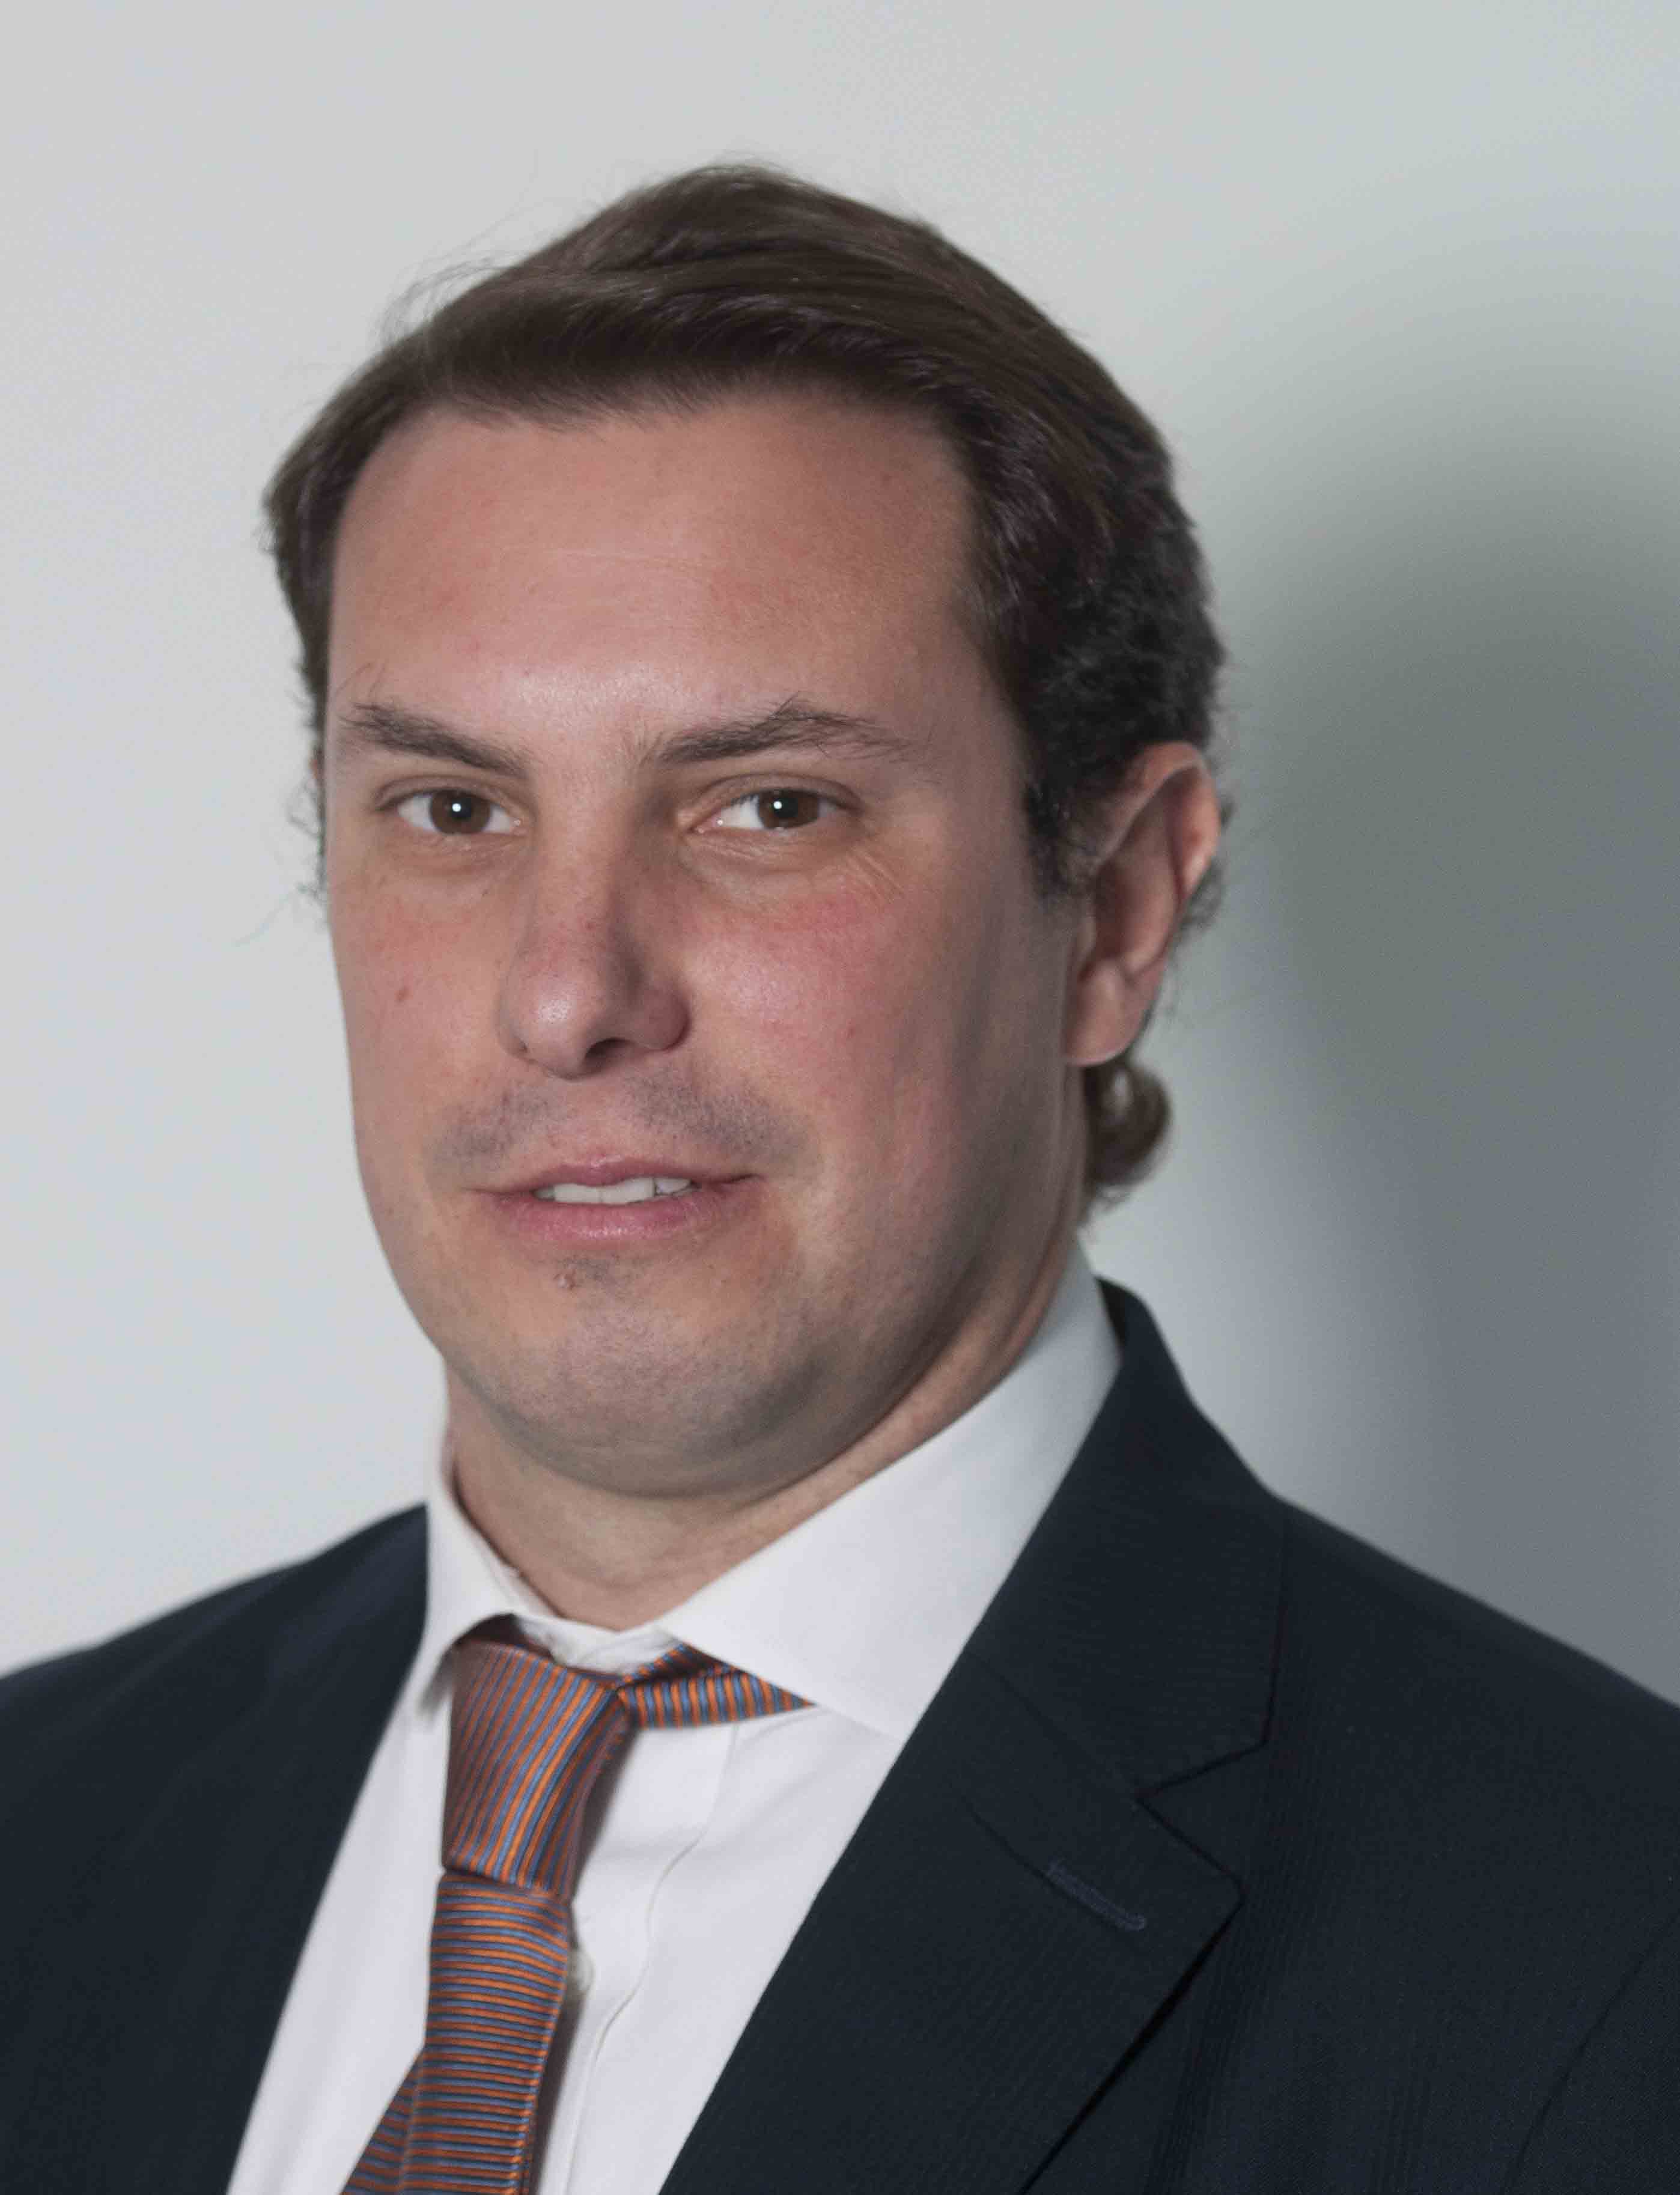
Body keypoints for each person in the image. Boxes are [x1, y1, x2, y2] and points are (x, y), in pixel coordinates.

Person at [2, 163, 1676, 2195]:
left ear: (1115, 909)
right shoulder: (45, 1829)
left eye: (768, 807)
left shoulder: (1599, 1959)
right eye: (451, 809)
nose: (567, 995)